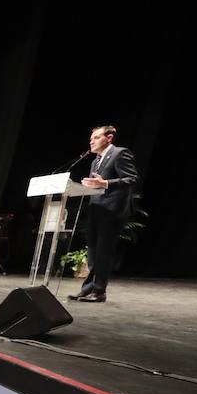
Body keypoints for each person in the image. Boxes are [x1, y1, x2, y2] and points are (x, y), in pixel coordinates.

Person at [70, 125, 139, 303]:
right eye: (91, 138)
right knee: (93, 251)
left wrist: (105, 183)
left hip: (113, 210)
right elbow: (96, 184)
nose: (91, 141)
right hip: (96, 208)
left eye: (96, 137)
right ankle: (87, 289)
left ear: (108, 138)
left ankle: (99, 291)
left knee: (103, 252)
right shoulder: (95, 161)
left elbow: (131, 179)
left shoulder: (120, 153)